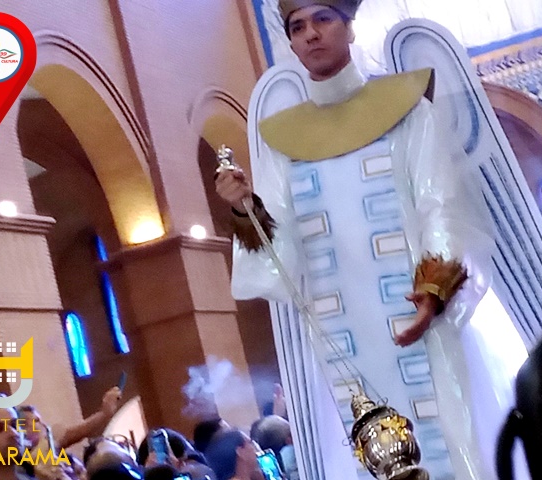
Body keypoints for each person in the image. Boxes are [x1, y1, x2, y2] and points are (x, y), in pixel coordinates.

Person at [215, 1, 515, 479]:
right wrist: (242, 208)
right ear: (290, 42)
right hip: (339, 335)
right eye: (297, 26)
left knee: (449, 441)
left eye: (323, 18)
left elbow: (439, 202)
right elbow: (279, 251)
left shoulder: (407, 108)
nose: (310, 34)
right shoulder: (282, 140)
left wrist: (433, 293)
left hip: (418, 315)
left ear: (350, 27)